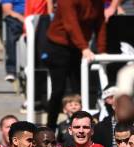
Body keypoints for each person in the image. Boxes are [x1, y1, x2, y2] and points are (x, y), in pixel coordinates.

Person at [43, 0, 107, 130]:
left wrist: (102, 50)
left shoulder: (98, 2)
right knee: (58, 90)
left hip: (77, 46)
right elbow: (71, 24)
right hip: (58, 46)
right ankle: (50, 129)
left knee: (79, 89)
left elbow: (100, 23)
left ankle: (81, 127)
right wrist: (84, 47)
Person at [1, 0, 25, 82]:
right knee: (12, 26)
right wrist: (22, 18)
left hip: (34, 15)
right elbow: (7, 10)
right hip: (17, 16)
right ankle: (11, 69)